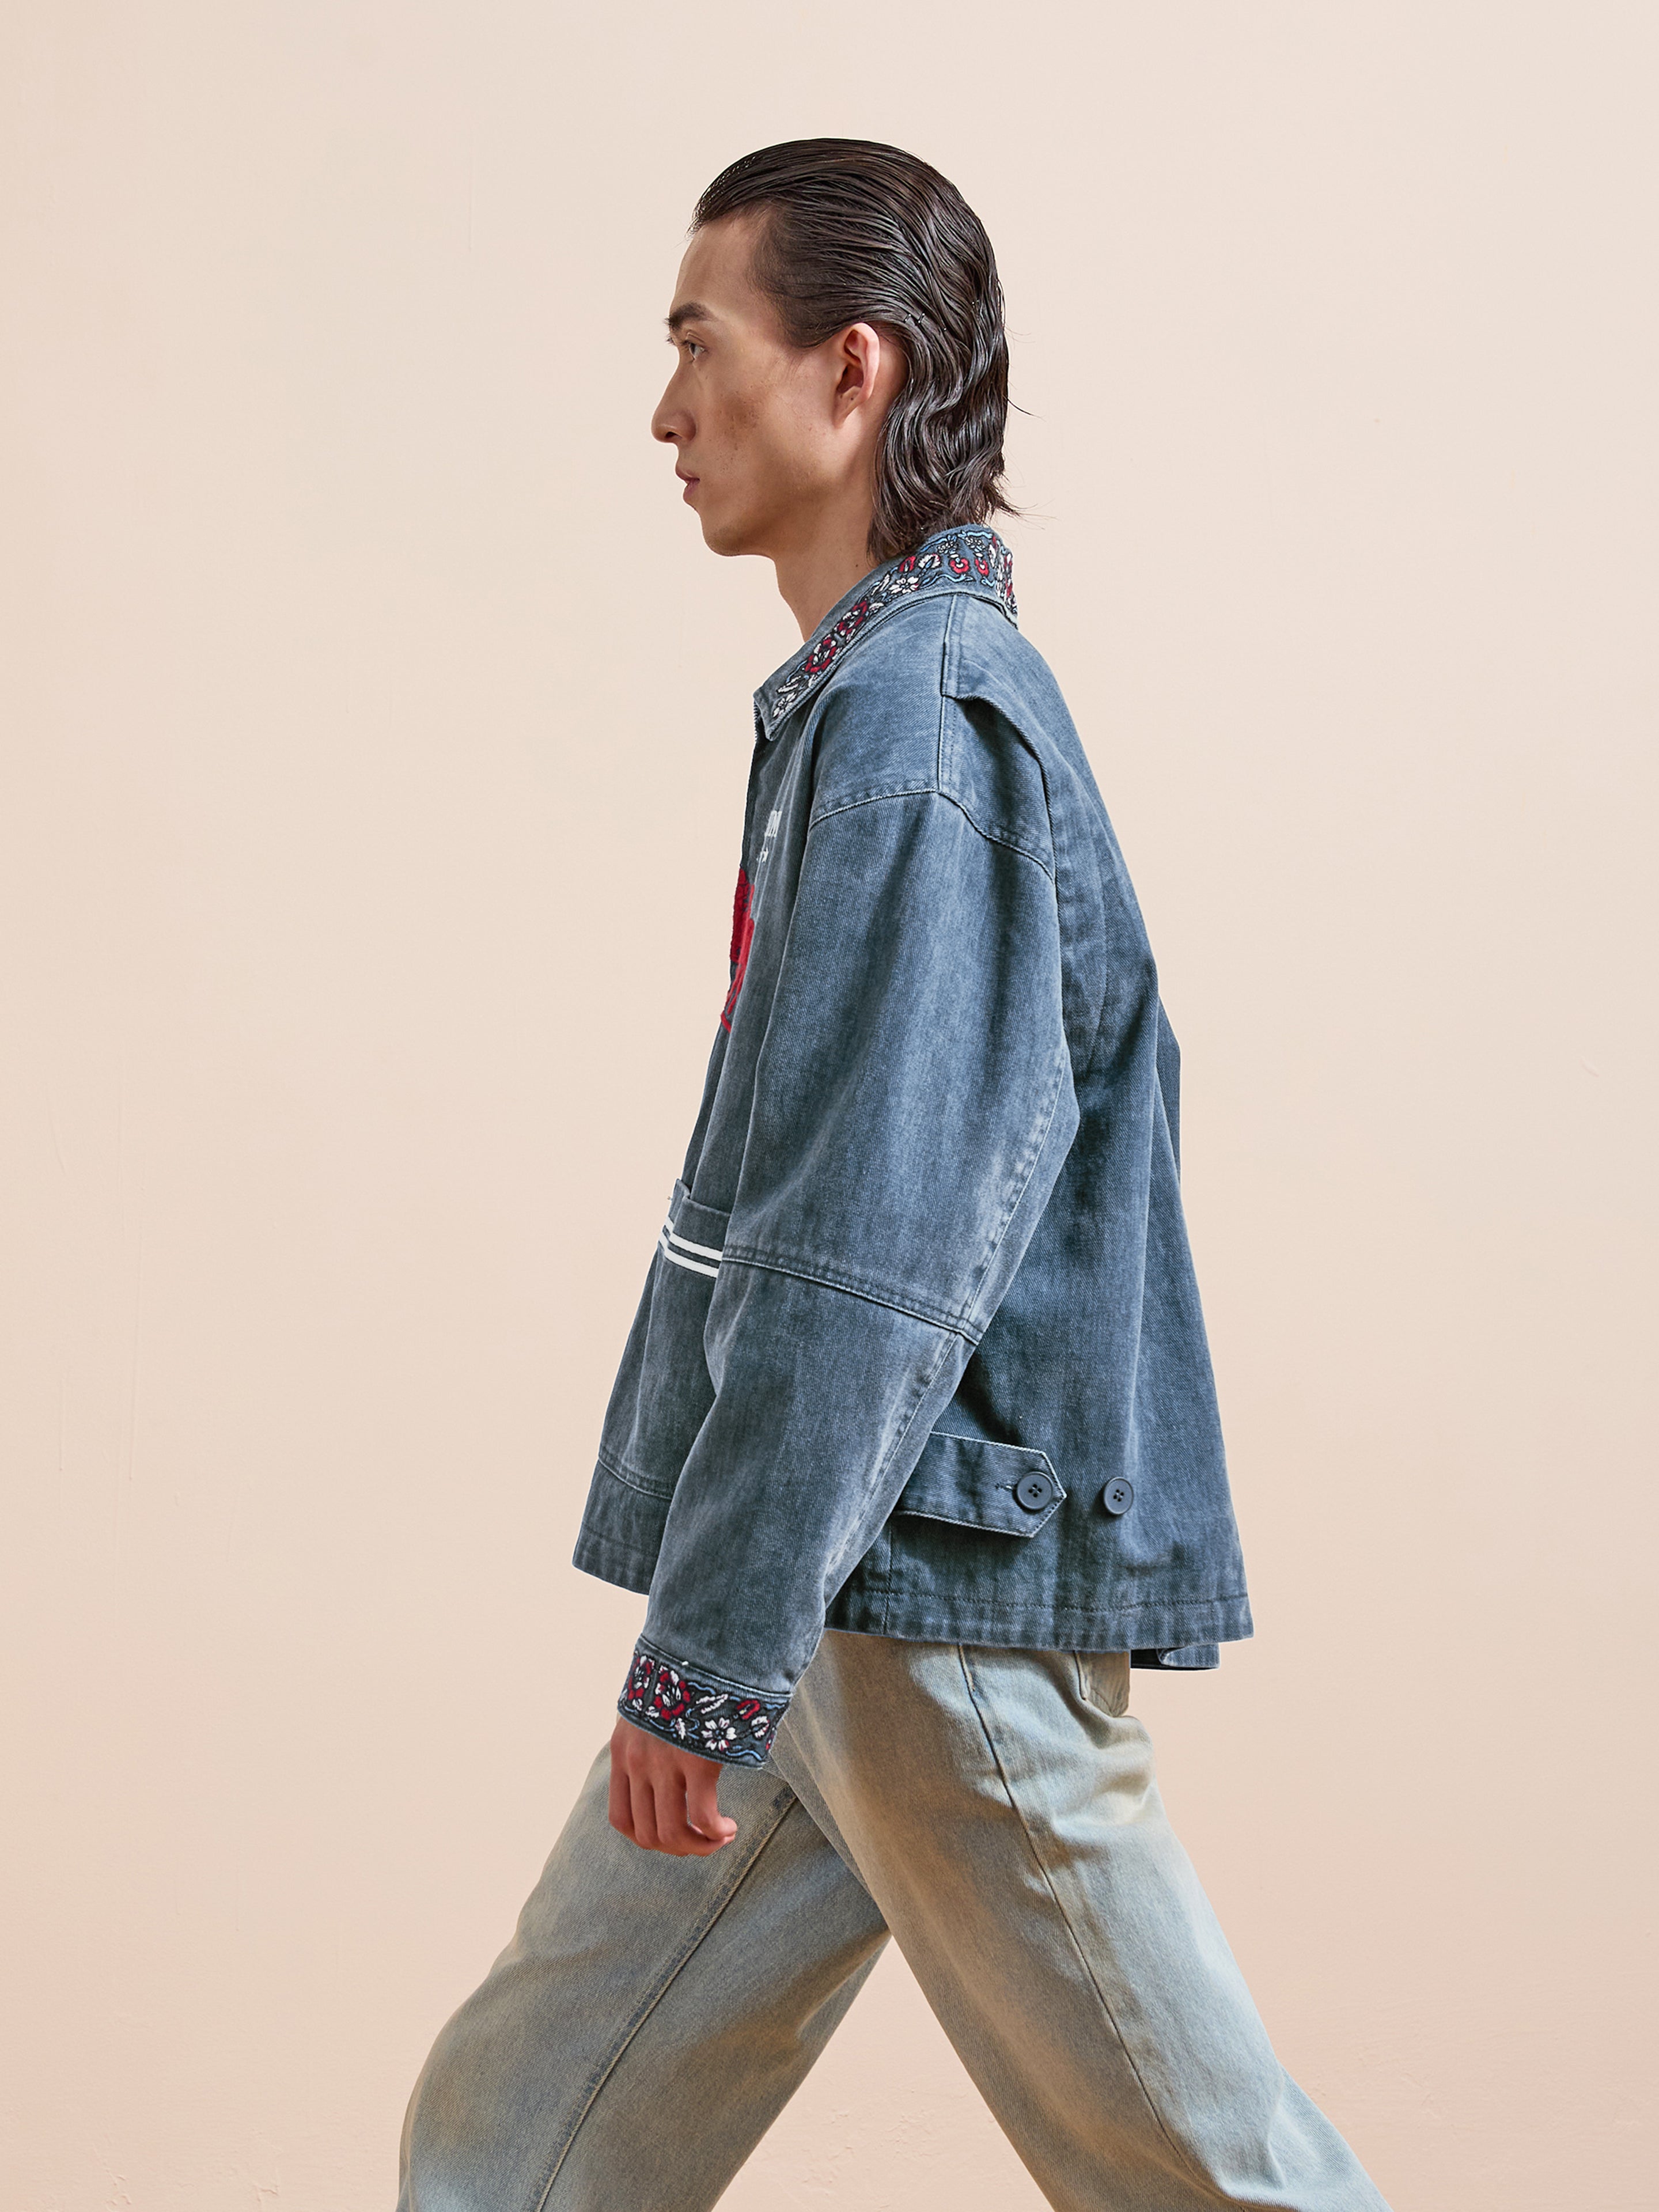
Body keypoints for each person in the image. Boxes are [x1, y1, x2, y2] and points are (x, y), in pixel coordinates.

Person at [397, 139, 1390, 2212]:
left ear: (852, 374)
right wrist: (731, 1625)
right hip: (820, 1601)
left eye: (698, 345)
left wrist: (704, 1654)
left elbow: (865, 1250)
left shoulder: (926, 726)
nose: (665, 412)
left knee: (1214, 2179)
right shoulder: (866, 709)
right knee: (511, 2144)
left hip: (918, 1606)